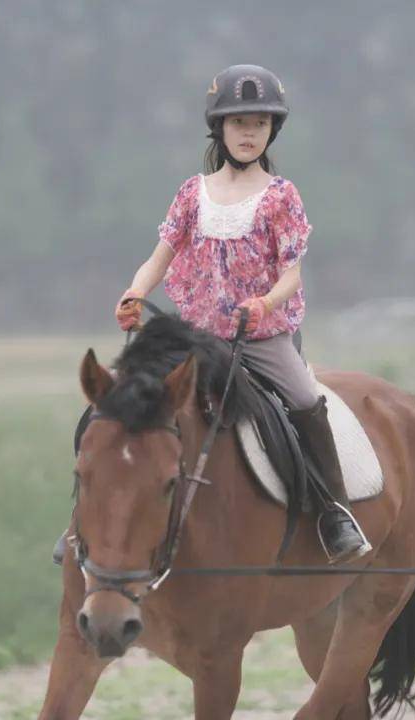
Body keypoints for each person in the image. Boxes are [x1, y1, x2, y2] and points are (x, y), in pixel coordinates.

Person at [61, 64, 371, 565]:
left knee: (305, 399)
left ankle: (334, 512)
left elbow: (292, 274)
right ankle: (79, 523)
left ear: (272, 130)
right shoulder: (192, 193)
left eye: (260, 124)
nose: (250, 133)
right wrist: (135, 291)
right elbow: (159, 256)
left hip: (260, 338)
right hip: (195, 339)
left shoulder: (281, 197)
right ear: (219, 128)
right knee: (110, 406)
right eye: (239, 122)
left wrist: (265, 302)